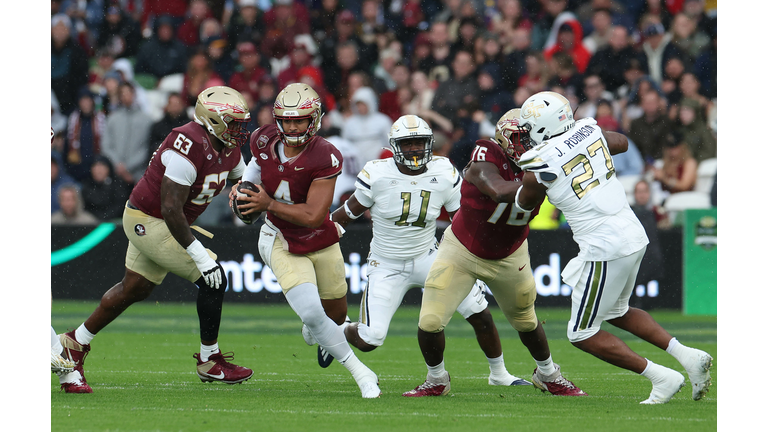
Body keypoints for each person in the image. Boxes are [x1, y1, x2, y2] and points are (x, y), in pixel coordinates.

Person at [515, 90, 712, 403]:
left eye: (528, 129)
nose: (525, 136)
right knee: (617, 311)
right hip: (631, 234)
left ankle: (661, 377)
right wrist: (583, 145)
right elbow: (620, 141)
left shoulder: (539, 160)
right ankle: (688, 357)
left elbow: (525, 202)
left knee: (581, 333)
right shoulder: (588, 130)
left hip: (604, 246)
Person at [56, 86, 254, 393]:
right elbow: (171, 209)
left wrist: (252, 199)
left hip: (165, 221)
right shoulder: (188, 144)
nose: (240, 130)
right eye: (234, 122)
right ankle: (209, 360)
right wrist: (201, 256)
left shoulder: (226, 146)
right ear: (213, 119)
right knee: (213, 277)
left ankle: (74, 342)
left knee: (134, 288)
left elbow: (243, 181)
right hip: (150, 220)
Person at [331, 114, 532, 387]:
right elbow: (347, 214)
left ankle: (499, 374)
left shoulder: (443, 170)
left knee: (479, 311)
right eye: (407, 143)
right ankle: (338, 330)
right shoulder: (377, 173)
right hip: (387, 263)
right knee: (370, 340)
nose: (414, 148)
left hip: (430, 256)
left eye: (419, 142)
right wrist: (321, 234)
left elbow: (462, 217)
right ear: (394, 146)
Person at [402, 108, 585, 397]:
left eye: (531, 136)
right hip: (461, 250)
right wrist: (548, 178)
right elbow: (499, 190)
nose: (529, 143)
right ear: (505, 138)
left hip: (510, 253)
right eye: (521, 137)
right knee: (430, 321)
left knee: (526, 320)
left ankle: (548, 373)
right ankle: (437, 379)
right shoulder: (486, 152)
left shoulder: (545, 158)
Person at [231, 83, 381, 398]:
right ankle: (361, 373)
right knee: (313, 312)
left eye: (300, 119)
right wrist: (244, 187)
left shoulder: (325, 154)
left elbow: (314, 215)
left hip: (319, 235)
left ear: (315, 119)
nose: (293, 126)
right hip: (279, 237)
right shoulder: (264, 138)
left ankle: (320, 332)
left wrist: (267, 203)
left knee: (336, 315)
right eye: (286, 120)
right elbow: (258, 165)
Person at [101, 82, 154, 187]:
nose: (125, 97)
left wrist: (128, 167)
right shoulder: (112, 119)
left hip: (139, 175)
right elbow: (106, 145)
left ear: (134, 94)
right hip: (115, 174)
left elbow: (147, 148)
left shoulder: (147, 120)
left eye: (128, 93)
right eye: (122, 94)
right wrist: (118, 165)